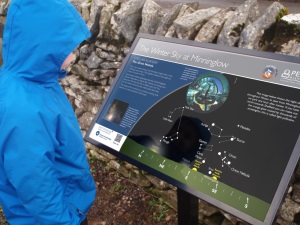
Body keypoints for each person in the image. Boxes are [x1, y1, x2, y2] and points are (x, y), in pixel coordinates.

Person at [0, 0, 96, 224]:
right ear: (40, 45)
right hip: (56, 214)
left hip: (63, 198)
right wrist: (66, 220)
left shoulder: (35, 80)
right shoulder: (24, 112)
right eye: (67, 49)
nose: (74, 57)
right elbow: (36, 185)